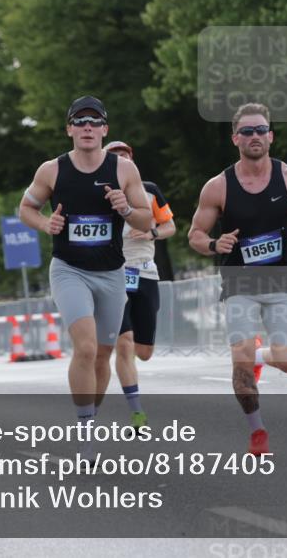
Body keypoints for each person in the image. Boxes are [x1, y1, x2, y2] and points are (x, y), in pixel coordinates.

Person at [19, 96, 151, 459]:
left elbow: (146, 220)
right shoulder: (53, 170)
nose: (88, 127)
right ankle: (86, 433)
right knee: (87, 347)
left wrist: (125, 208)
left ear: (105, 130)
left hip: (111, 273)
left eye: (95, 121)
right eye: (80, 121)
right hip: (69, 269)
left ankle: (89, 415)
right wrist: (47, 223)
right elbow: (26, 207)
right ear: (70, 130)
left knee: (103, 355)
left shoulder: (124, 171)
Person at [189, 102, 287, 455]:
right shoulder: (218, 186)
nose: (255, 136)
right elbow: (195, 235)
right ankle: (257, 431)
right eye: (247, 131)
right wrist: (216, 243)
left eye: (261, 130)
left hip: (281, 281)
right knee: (240, 361)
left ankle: (258, 356)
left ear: (271, 136)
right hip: (240, 284)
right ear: (236, 139)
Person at [96, 140, 175, 432]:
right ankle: (137, 414)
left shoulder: (149, 191)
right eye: (114, 156)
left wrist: (152, 232)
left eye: (125, 156)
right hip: (114, 275)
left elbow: (170, 226)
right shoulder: (99, 193)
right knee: (124, 344)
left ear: (132, 161)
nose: (120, 160)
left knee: (144, 351)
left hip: (146, 274)